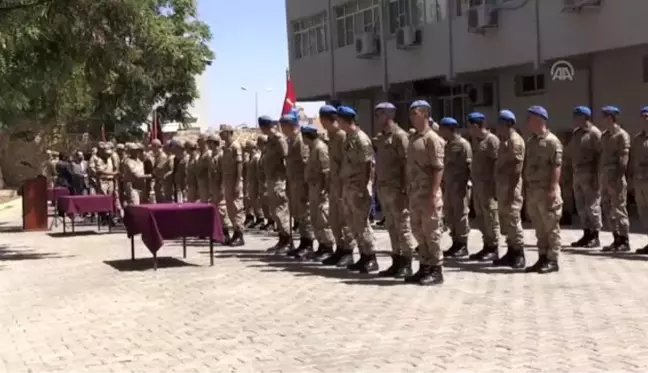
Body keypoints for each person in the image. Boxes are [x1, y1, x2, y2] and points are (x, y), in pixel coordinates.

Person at [373, 102, 417, 278]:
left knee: (403, 227)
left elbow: (408, 165)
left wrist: (406, 191)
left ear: (388, 115)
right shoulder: (382, 137)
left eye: (379, 115)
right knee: (391, 227)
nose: (377, 119)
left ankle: (406, 262)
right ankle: (396, 260)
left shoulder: (400, 137)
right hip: (385, 189)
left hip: (398, 190)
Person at [406, 101, 445, 285]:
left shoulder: (432, 139)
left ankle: (436, 270)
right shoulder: (414, 139)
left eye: (415, 113)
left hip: (428, 194)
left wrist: (433, 194)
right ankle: (424, 266)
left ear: (425, 115)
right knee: (418, 231)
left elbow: (438, 168)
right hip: (415, 193)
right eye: (411, 114)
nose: (411, 117)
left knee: (432, 233)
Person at [337, 105, 378, 273]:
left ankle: (371, 257)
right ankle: (363, 256)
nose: (337, 122)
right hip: (349, 186)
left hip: (359, 187)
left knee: (362, 224)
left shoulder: (361, 139)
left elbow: (368, 164)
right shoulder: (349, 138)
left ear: (344, 120)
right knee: (353, 224)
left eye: (339, 119)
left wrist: (363, 187)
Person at [524, 106, 563, 273]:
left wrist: (553, 188)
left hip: (546, 191)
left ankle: (552, 260)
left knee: (551, 227)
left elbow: (556, 166)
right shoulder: (531, 141)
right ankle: (542, 257)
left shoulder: (552, 142)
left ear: (540, 120)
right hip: (533, 191)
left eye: (530, 119)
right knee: (539, 227)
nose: (528, 123)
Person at [320, 105, 357, 266]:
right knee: (334, 219)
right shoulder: (332, 136)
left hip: (343, 184)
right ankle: (340, 249)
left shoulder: (342, 136)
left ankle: (348, 251)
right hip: (334, 184)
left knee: (345, 220)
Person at [492, 110, 526, 269]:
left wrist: (512, 191)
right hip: (503, 187)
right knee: (506, 220)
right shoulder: (504, 141)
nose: (497, 127)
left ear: (508, 124)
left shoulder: (515, 141)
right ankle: (511, 252)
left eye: (500, 123)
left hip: (511, 188)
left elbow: (516, 169)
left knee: (513, 219)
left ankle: (519, 254)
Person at [566, 106, 602, 248]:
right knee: (581, 205)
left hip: (590, 173)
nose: (575, 119)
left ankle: (595, 235)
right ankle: (586, 233)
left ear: (585, 117)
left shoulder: (594, 133)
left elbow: (600, 155)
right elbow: (570, 152)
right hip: (577, 172)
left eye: (577, 116)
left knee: (592, 206)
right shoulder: (577, 133)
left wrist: (597, 176)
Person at [280, 112, 315, 258]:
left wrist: (306, 185)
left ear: (291, 125)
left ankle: (308, 243)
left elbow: (306, 163)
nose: (282, 128)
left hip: (301, 183)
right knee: (298, 214)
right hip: (293, 183)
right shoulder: (291, 140)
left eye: (283, 125)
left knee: (305, 214)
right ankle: (303, 241)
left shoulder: (300, 141)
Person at [467, 112, 501, 261]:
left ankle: (493, 248)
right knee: (481, 218)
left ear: (475, 126)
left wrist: (495, 187)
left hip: (488, 187)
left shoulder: (491, 140)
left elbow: (497, 164)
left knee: (491, 218)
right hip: (477, 186)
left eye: (470, 126)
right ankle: (486, 245)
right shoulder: (476, 140)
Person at [438, 114, 472, 259]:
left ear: (449, 129)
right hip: (449, 186)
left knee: (461, 216)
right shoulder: (446, 145)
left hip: (460, 186)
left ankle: (463, 244)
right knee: (450, 215)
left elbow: (468, 166)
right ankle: (455, 242)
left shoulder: (463, 145)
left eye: (442, 129)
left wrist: (464, 185)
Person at [301, 124, 335, 260]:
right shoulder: (313, 148)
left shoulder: (320, 148)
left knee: (323, 219)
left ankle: (327, 247)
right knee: (315, 218)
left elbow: (327, 171)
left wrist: (325, 189)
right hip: (314, 188)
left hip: (320, 189)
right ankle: (321, 246)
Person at [599, 105, 631, 252]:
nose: (602, 120)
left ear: (611, 118)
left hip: (616, 178)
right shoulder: (604, 136)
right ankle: (616, 238)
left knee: (619, 208)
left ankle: (625, 240)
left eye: (604, 117)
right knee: (607, 207)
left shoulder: (622, 135)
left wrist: (617, 178)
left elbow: (624, 159)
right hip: (605, 177)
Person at [258, 115, 291, 254]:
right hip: (271, 179)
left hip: (279, 180)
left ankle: (287, 240)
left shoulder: (279, 139)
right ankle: (282, 238)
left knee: (280, 210)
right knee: (275, 212)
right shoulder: (270, 140)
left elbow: (286, 158)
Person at [220, 124, 246, 246]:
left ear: (229, 132)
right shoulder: (226, 147)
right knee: (230, 209)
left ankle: (240, 234)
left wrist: (237, 182)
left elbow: (239, 164)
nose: (221, 134)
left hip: (234, 181)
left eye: (223, 132)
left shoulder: (235, 146)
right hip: (227, 181)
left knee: (236, 208)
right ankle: (235, 233)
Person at [207, 134, 233, 241]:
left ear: (214, 143)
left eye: (209, 142)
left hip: (220, 184)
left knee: (222, 210)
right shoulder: (213, 155)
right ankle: (219, 233)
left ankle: (226, 233)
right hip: (214, 185)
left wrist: (222, 187)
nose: (208, 145)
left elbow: (223, 173)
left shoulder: (221, 156)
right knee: (216, 209)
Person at [632, 106, 648, 254]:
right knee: (643, 212)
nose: (646, 119)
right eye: (643, 117)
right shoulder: (638, 139)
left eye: (647, 116)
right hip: (639, 181)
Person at [245, 140, 265, 228]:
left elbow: (258, 172)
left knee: (257, 202)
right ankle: (256, 218)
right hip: (251, 182)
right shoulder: (250, 157)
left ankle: (261, 219)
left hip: (255, 182)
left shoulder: (256, 157)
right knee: (251, 201)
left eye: (248, 147)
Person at [196, 135, 212, 203]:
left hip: (206, 181)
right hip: (201, 181)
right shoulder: (201, 154)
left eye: (200, 141)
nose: (198, 143)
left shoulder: (208, 153)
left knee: (206, 201)